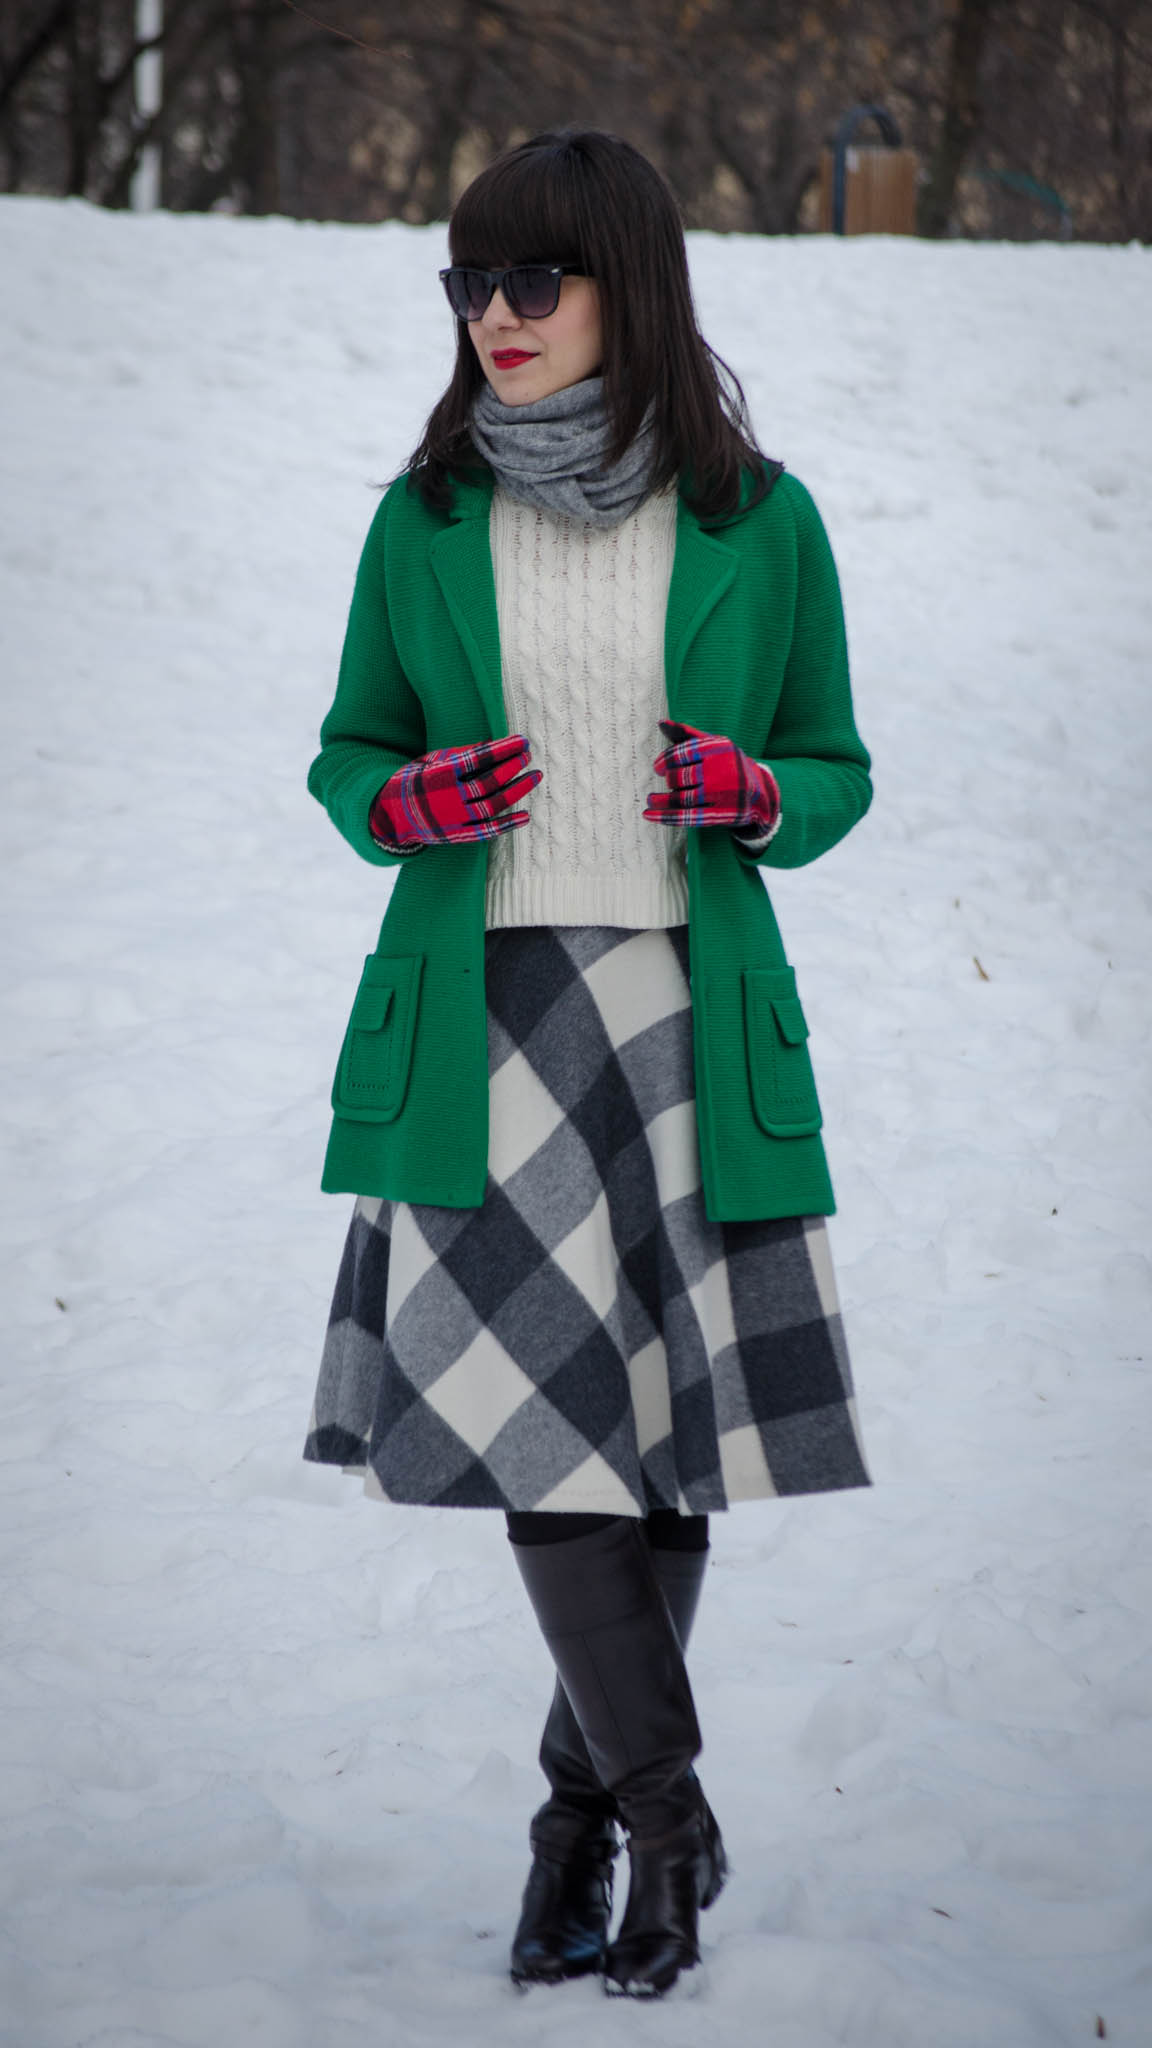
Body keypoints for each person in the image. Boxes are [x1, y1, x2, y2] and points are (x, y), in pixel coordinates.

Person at [302, 125, 874, 2000]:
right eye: (468, 285)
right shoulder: (423, 519)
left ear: (631, 281)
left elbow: (836, 766)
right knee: (557, 1450)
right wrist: (402, 797)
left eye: (531, 280)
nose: (495, 317)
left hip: (683, 1028)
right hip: (486, 1029)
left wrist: (762, 793)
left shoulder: (758, 521)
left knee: (663, 1462)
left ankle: (576, 1835)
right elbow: (346, 752)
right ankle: (668, 1824)